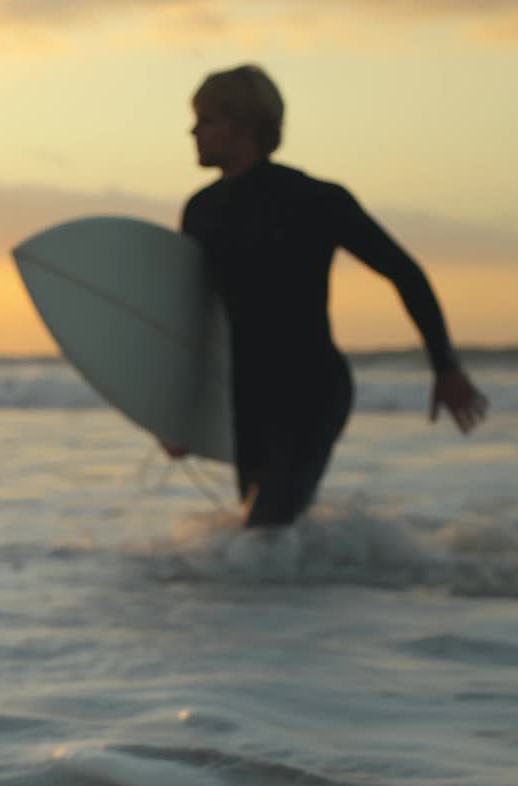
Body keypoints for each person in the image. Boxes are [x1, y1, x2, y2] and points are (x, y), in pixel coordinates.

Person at [164, 65, 487, 528]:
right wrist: (177, 416)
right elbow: (196, 321)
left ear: (245, 125)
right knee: (261, 535)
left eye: (207, 119)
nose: (194, 131)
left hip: (310, 388)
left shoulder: (313, 199)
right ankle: (328, 583)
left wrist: (446, 367)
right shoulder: (201, 211)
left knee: (265, 532)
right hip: (248, 395)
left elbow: (404, 273)